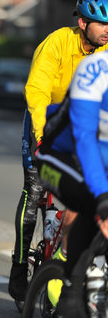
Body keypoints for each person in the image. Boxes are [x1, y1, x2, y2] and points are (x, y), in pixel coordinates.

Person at [8, 0, 108, 302]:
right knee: (35, 189)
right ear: (82, 23)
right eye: (101, 24)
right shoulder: (57, 43)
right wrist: (40, 137)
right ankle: (20, 263)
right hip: (48, 121)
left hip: (85, 126)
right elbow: (36, 91)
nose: (107, 30)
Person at [35, 47, 108, 317]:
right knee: (93, 200)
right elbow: (85, 139)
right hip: (60, 155)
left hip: (101, 160)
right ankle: (71, 288)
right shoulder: (95, 69)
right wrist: (103, 199)